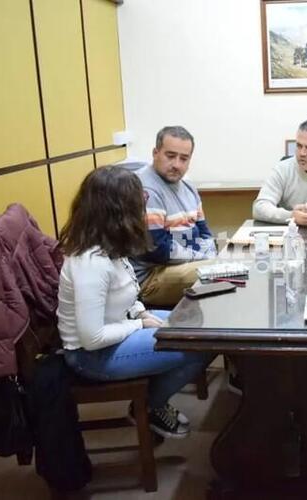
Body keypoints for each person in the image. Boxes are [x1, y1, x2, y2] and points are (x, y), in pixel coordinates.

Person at [57, 166, 213, 439]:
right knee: (197, 345)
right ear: (117, 210)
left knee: (203, 325)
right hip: (92, 356)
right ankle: (150, 406)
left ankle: (153, 397)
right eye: (138, 201)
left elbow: (128, 292)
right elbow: (92, 338)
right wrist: (137, 324)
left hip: (117, 333)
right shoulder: (90, 264)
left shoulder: (111, 246)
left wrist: (140, 313)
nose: (144, 206)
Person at [131, 126, 217, 307]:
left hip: (184, 263)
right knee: (221, 274)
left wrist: (210, 253)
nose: (177, 164)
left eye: (183, 158)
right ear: (155, 153)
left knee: (238, 262)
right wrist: (204, 258)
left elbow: (204, 232)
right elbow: (157, 249)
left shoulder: (188, 187)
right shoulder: (145, 189)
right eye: (170, 156)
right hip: (152, 275)